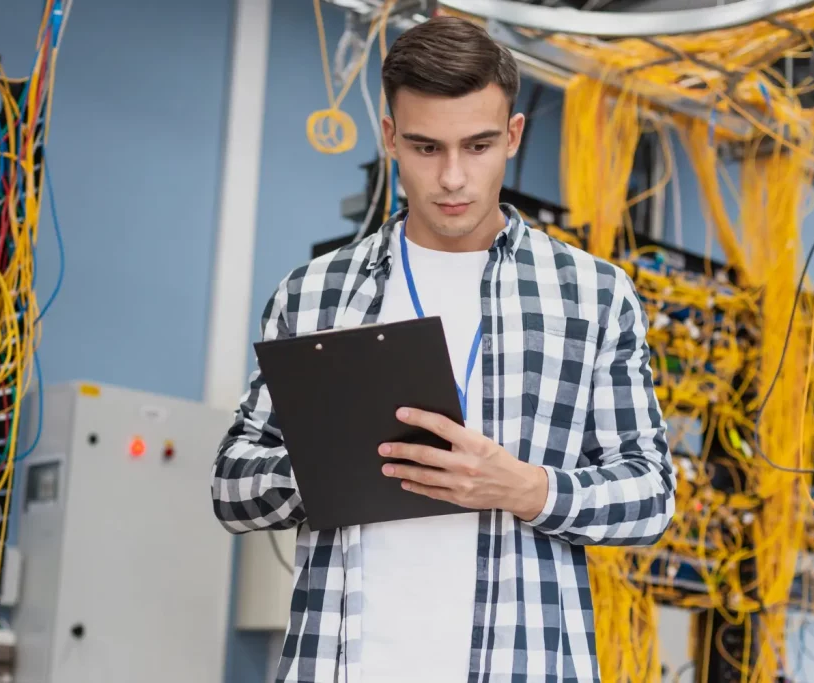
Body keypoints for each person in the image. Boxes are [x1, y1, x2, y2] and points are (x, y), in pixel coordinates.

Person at [211, 15, 675, 683]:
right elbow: (231, 483)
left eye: (478, 145)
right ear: (391, 137)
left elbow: (652, 493)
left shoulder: (593, 294)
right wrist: (330, 468)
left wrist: (527, 488)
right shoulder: (315, 293)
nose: (453, 177)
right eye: (426, 149)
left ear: (512, 136)